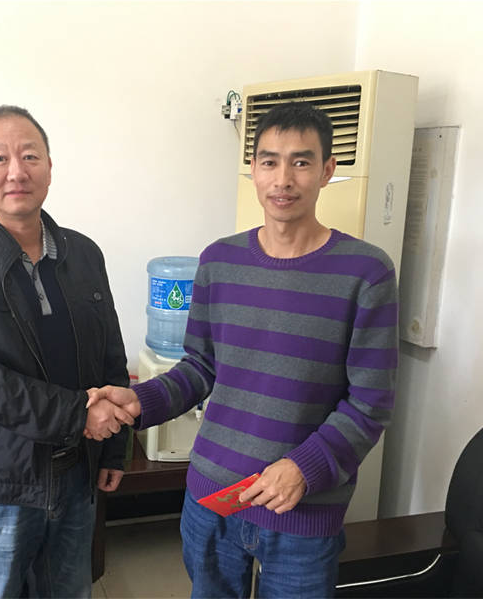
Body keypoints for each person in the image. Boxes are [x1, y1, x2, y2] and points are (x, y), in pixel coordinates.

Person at [90, 102, 398, 598]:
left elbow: (370, 403)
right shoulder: (219, 261)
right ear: (253, 169)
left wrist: (304, 468)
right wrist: (139, 401)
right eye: (270, 161)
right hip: (212, 498)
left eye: (301, 162)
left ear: (327, 171)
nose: (283, 179)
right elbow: (200, 367)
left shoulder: (366, 272)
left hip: (302, 511)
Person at [0, 105, 133, 598]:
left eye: (30, 156)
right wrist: (79, 413)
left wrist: (114, 448)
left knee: (70, 591)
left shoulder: (84, 254)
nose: (17, 171)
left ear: (49, 168)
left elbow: (110, 356)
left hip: (77, 474)